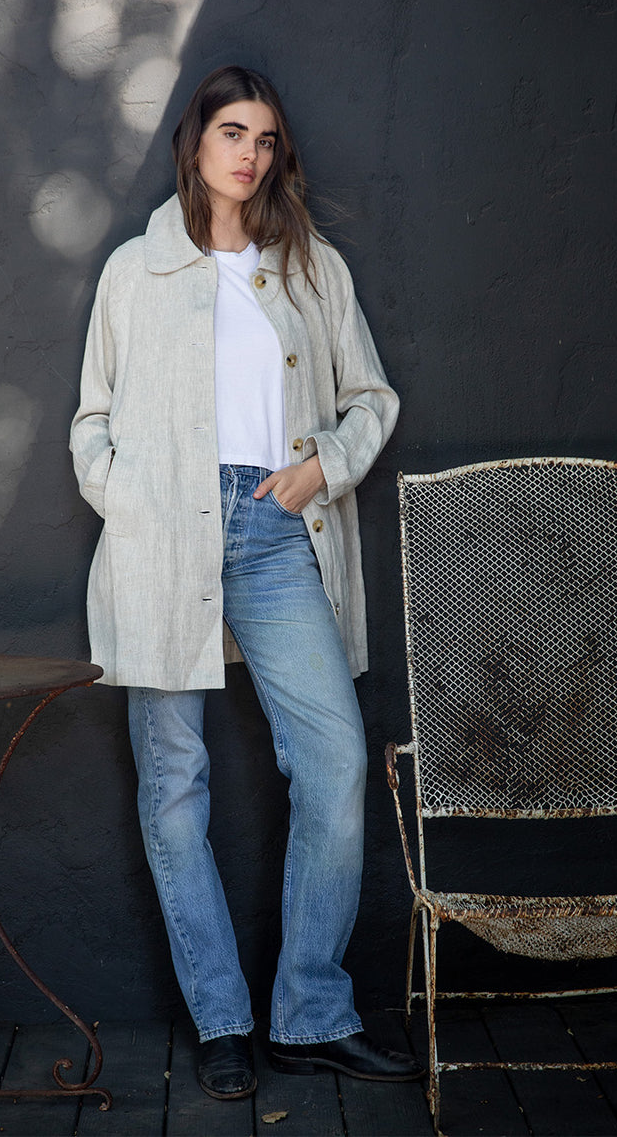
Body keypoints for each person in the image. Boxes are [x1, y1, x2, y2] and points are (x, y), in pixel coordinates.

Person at [70, 65, 423, 1100]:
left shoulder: (310, 269)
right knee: (173, 780)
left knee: (331, 760)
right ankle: (222, 1017)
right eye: (232, 132)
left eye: (265, 139)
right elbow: (92, 422)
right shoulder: (136, 271)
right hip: (160, 538)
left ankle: (309, 1012)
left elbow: (370, 396)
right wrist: (128, 501)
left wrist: (322, 464)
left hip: (272, 529)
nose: (249, 155)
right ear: (195, 143)